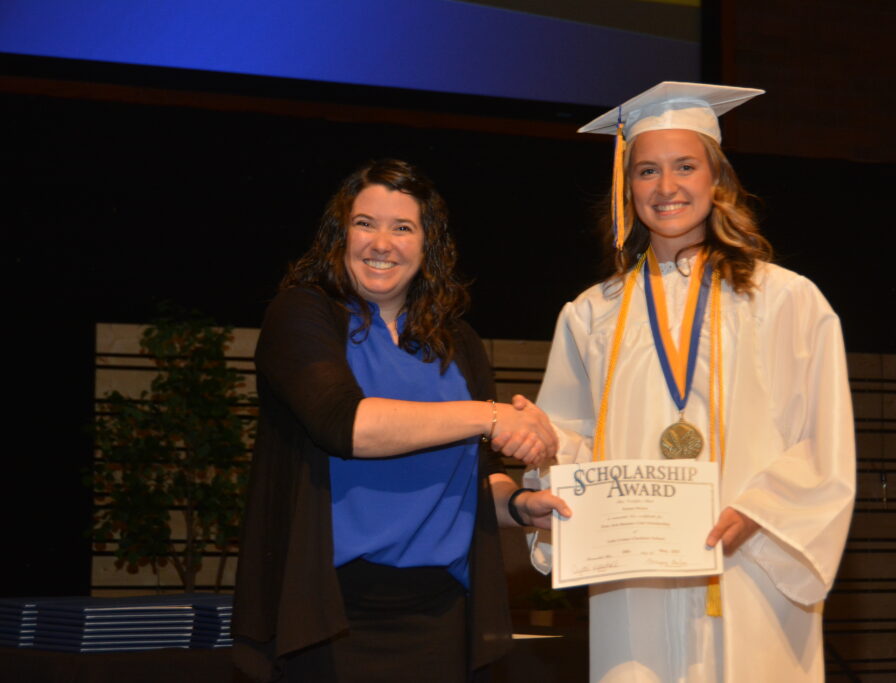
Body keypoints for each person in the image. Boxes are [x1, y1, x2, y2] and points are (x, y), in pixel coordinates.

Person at [525, 82, 856, 682]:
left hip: (750, 565)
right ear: (628, 189)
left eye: (685, 166)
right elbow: (569, 437)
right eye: (646, 170)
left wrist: (761, 510)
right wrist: (551, 481)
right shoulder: (590, 314)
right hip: (636, 574)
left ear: (717, 180)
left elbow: (824, 441)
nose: (666, 186)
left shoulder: (787, 300)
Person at [232, 159, 571, 683]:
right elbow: (344, 424)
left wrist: (522, 507)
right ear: (339, 234)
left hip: (442, 617)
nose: (380, 242)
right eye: (365, 222)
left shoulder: (458, 342)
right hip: (330, 616)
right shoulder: (303, 315)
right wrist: (491, 415)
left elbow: (475, 477)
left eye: (402, 227)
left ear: (428, 244)